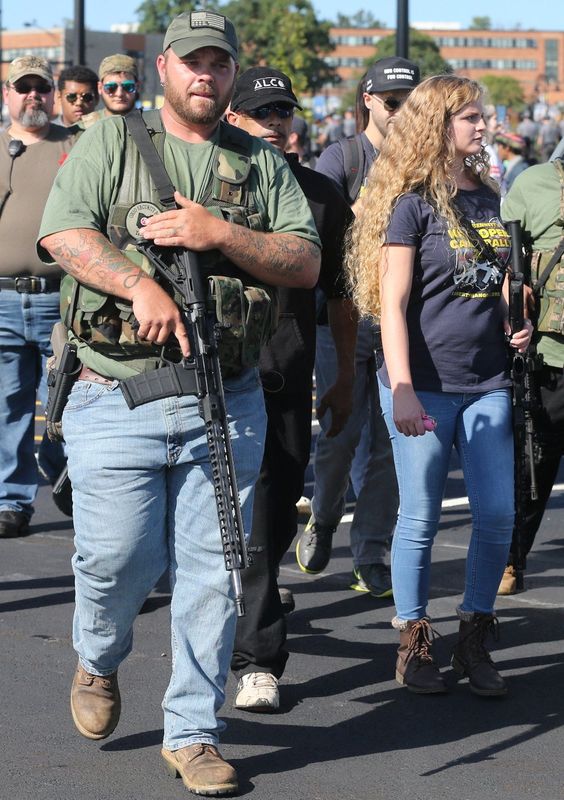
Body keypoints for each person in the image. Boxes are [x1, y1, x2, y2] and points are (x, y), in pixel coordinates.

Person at [38, 10, 320, 796]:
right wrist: (136, 282)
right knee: (117, 560)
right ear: (163, 68)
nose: (206, 75)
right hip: (114, 392)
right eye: (192, 62)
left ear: (232, 75)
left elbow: (301, 260)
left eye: (219, 65)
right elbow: (62, 232)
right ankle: (99, 656)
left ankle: (192, 733)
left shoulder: (257, 165)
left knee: (215, 573)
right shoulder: (111, 141)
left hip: (225, 400)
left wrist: (213, 233)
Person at [346, 75, 532, 696]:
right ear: (438, 124)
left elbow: (493, 278)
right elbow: (392, 306)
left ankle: (475, 635)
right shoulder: (413, 204)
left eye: (483, 117)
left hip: (488, 383)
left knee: (499, 515)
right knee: (420, 516)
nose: (482, 126)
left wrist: (517, 316)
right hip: (422, 384)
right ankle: (414, 641)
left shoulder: (489, 195)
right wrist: (400, 387)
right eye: (470, 117)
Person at [226, 66, 356, 711]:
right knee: (223, 521)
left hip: (288, 375)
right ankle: (258, 654)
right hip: (210, 376)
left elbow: (341, 295)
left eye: (283, 112)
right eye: (260, 113)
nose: (276, 124)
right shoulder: (208, 191)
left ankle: (253, 610)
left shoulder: (325, 197)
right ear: (232, 119)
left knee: (273, 518)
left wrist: (346, 376)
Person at [296, 57, 419, 598]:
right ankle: (324, 517)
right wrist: (364, 207)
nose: (402, 113)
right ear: (368, 101)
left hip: (401, 317)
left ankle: (371, 551)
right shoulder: (342, 157)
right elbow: (315, 231)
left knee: (393, 445)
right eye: (393, 103)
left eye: (411, 104)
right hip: (343, 316)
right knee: (341, 437)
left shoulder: (423, 162)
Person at [0, 56, 75, 538]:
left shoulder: (76, 144)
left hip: (60, 300)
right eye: (23, 88)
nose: (33, 96)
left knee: (66, 406)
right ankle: (11, 501)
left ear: (53, 94)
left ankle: (70, 480)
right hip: (3, 300)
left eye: (41, 88)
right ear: (7, 94)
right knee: (8, 407)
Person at [499, 155, 564, 594]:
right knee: (531, 469)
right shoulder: (535, 183)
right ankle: (511, 558)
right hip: (549, 360)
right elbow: (508, 263)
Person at [81, 54, 139, 126]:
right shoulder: (83, 129)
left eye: (127, 86)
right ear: (100, 88)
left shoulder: (152, 126)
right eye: (111, 87)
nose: (119, 94)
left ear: (137, 86)